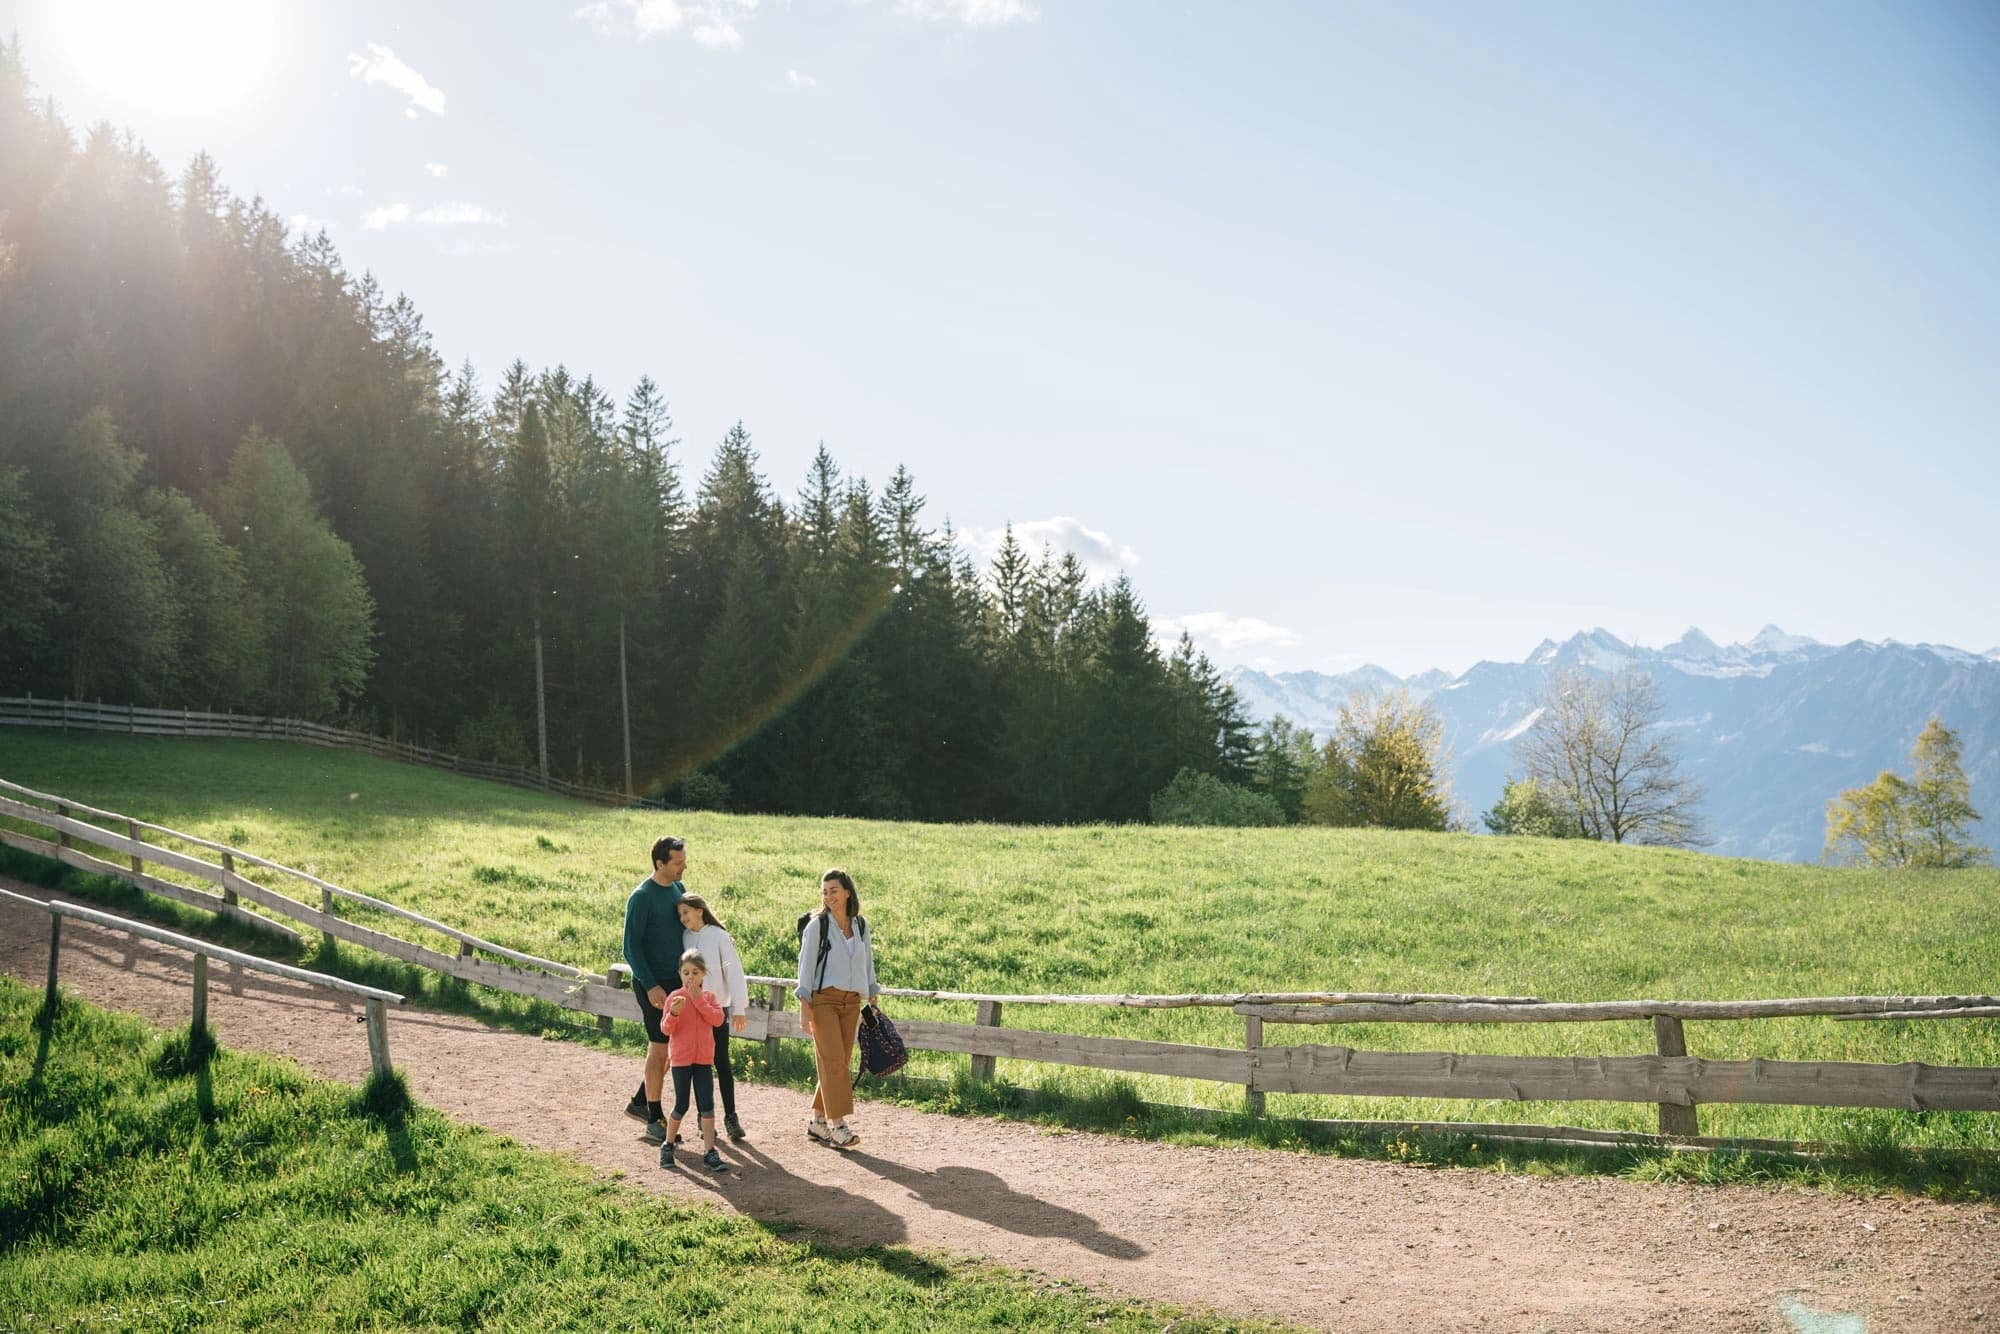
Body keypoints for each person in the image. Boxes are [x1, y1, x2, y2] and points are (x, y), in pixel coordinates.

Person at [796, 867, 880, 1149]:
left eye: (833, 890)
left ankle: (817, 1122)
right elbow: (805, 968)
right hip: (823, 1001)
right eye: (824, 891)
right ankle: (838, 1125)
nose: (828, 896)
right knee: (833, 1062)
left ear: (847, 892)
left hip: (851, 1002)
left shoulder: (860, 925)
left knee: (839, 1062)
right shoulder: (817, 926)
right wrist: (804, 1006)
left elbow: (866, 961)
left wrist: (872, 994)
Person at [621, 835, 688, 1141]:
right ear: (660, 863)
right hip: (653, 984)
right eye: (677, 862)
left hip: (678, 984)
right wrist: (650, 985)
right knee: (659, 1048)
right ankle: (654, 1115)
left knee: (673, 1051)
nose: (683, 866)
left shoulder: (678, 889)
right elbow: (630, 947)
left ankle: (639, 1102)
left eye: (683, 860)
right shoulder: (642, 897)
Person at [677, 894, 751, 1140]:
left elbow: (734, 970)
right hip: (693, 1012)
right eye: (680, 915)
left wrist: (739, 1007)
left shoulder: (718, 936)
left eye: (687, 912)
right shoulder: (686, 937)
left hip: (717, 1009)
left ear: (700, 910)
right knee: (701, 1065)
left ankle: (731, 1117)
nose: (683, 918)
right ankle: (703, 1117)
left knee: (722, 1062)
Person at [659, 949, 727, 1172]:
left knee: (707, 1105)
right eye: (686, 972)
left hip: (703, 1060)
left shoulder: (709, 998)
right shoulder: (674, 998)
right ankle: (668, 1146)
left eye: (695, 972)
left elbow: (717, 1020)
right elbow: (666, 1029)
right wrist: (674, 1014)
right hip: (681, 1060)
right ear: (680, 974)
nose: (690, 977)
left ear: (703, 975)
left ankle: (710, 1151)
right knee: (682, 1104)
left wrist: (698, 1000)